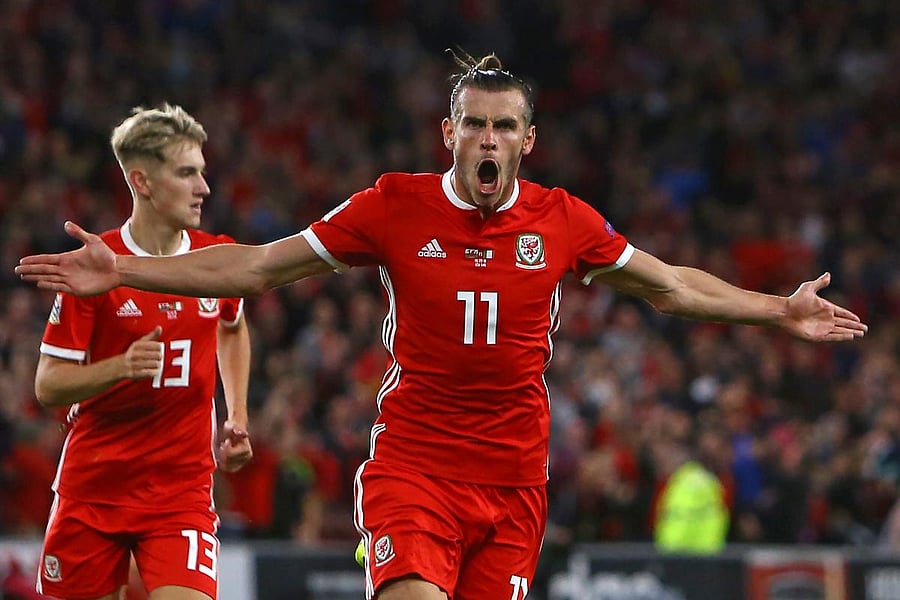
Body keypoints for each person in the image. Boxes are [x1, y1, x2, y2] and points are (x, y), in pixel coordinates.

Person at [17, 53, 867, 600]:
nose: (487, 139)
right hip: (415, 468)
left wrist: (776, 309)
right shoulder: (394, 207)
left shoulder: (562, 220)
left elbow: (671, 287)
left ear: (527, 139)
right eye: (474, 124)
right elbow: (258, 266)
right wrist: (123, 268)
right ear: (449, 133)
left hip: (513, 482)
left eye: (504, 125)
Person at [25, 104, 253, 600]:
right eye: (187, 173)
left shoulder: (214, 259)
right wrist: (119, 368)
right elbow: (48, 385)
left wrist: (236, 413)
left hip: (181, 495)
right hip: (94, 491)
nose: (203, 188)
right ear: (143, 182)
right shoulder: (96, 267)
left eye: (202, 172)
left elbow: (233, 327)